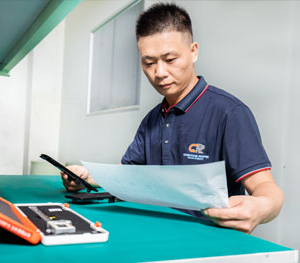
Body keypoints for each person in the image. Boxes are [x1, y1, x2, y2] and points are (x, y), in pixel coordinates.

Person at [61, 3, 283, 234]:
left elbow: (267, 190)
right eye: (149, 62)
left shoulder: (230, 113)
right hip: (155, 235)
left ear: (193, 51)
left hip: (210, 243)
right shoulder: (152, 120)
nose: (159, 73)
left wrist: (262, 207)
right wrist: (86, 177)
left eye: (170, 59)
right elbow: (125, 176)